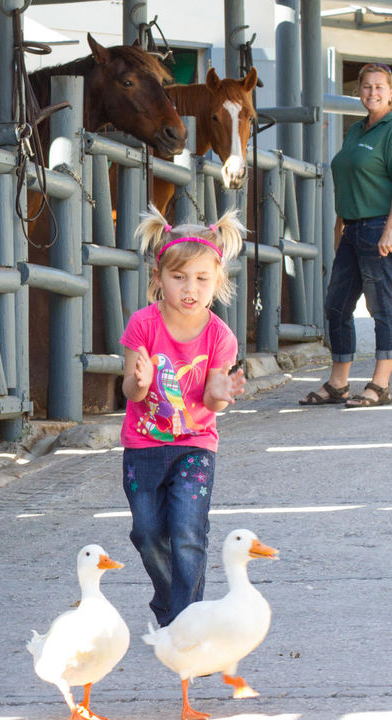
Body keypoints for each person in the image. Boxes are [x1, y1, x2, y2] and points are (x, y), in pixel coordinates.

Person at [121, 206, 247, 627]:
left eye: (201, 278)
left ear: (217, 281)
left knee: (188, 535)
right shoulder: (142, 325)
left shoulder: (219, 336)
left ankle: (186, 623)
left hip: (195, 447)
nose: (189, 288)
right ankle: (171, 600)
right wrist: (141, 380)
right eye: (178, 278)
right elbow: (131, 390)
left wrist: (223, 394)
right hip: (143, 447)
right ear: (158, 279)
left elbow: (211, 399)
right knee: (147, 533)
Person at [300, 61, 392, 408]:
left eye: (380, 87)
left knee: (380, 306)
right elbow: (348, 181)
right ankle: (338, 384)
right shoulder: (355, 131)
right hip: (352, 228)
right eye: (367, 86)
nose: (373, 92)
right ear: (359, 91)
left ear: (391, 92)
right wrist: (340, 227)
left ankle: (380, 385)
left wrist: (390, 230)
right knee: (336, 306)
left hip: (381, 225)